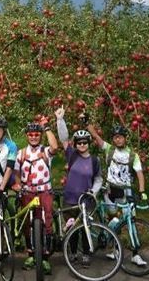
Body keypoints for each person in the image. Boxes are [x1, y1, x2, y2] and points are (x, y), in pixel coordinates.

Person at [85, 116, 148, 266]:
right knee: (114, 221)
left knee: (130, 221)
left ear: (125, 138)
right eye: (115, 137)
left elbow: (139, 174)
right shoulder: (109, 149)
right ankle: (115, 250)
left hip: (126, 191)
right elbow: (96, 137)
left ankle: (135, 254)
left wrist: (142, 191)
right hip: (110, 190)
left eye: (120, 137)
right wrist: (87, 124)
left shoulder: (133, 155)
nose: (117, 140)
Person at [56, 106, 103, 268]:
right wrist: (60, 119)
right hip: (70, 199)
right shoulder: (72, 155)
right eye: (79, 142)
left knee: (85, 229)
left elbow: (98, 179)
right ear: (75, 144)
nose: (82, 144)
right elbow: (63, 139)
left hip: (86, 201)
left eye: (85, 142)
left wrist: (93, 192)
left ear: (89, 143)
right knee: (72, 229)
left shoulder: (95, 161)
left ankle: (86, 254)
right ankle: (73, 253)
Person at [13, 117, 58, 275]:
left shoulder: (45, 151)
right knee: (27, 224)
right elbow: (17, 172)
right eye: (31, 134)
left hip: (44, 190)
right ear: (27, 136)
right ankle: (31, 254)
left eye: (36, 135)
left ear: (40, 136)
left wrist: (46, 127)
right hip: (28, 192)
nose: (33, 137)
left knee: (47, 222)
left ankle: (45, 257)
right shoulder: (21, 153)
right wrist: (18, 184)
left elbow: (55, 146)